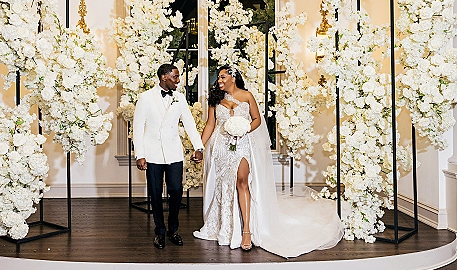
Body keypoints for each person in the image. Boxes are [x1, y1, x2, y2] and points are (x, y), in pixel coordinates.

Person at [193, 65, 344, 258]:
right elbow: (210, 125)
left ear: (233, 77)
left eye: (223, 77)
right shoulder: (215, 99)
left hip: (242, 144)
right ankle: (228, 227)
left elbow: (256, 119)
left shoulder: (247, 96)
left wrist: (244, 129)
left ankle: (246, 230)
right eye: (219, 78)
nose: (219, 80)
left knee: (242, 181)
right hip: (221, 148)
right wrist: (199, 147)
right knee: (225, 185)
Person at [133, 63, 204, 249]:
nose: (178, 81)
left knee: (176, 191)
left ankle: (174, 229)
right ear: (164, 77)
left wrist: (199, 147)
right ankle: (160, 232)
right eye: (175, 77)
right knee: (155, 195)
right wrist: (140, 154)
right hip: (152, 154)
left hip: (174, 153)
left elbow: (189, 124)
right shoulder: (145, 98)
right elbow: (138, 128)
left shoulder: (179, 98)